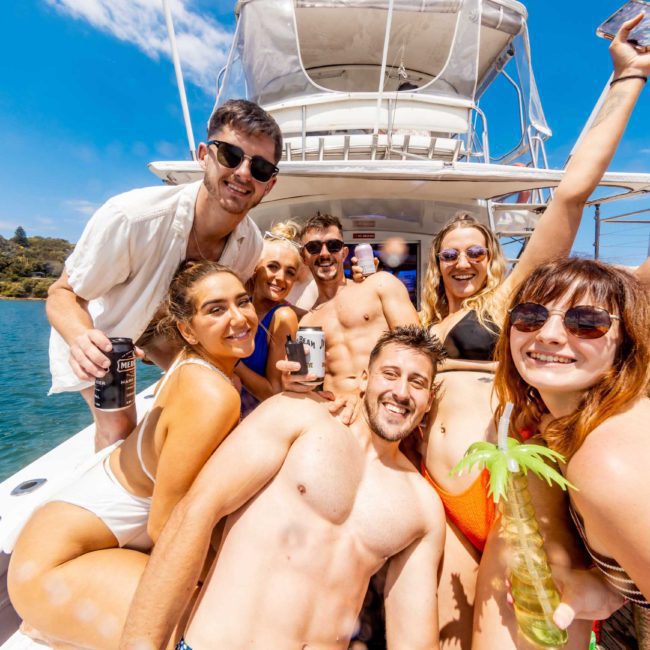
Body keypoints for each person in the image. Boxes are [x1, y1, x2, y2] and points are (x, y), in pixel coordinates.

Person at [417, 15, 650, 646]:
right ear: (435, 264)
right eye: (448, 254)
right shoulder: (422, 323)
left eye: (474, 251)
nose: (461, 263)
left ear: (493, 259)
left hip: (511, 491)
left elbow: (570, 196)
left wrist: (627, 77)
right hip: (439, 494)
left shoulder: (512, 308)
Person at [120, 326, 446, 650]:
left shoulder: (422, 507)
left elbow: (413, 637)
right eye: (390, 374)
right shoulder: (296, 417)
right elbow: (195, 513)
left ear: (428, 401)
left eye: (416, 383)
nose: (401, 392)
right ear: (364, 379)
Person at [8, 262, 257, 649]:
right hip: (54, 565)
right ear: (187, 331)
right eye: (216, 309)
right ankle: (52, 621)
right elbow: (165, 527)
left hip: (77, 536)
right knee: (217, 626)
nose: (240, 317)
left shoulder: (196, 366)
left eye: (243, 301)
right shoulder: (212, 395)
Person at [46, 99, 282, 449]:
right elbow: (62, 293)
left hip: (171, 331)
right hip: (107, 334)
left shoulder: (250, 245)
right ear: (204, 155)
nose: (244, 173)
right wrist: (82, 339)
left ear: (270, 184)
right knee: (118, 429)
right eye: (231, 155)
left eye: (260, 167)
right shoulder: (133, 218)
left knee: (221, 393)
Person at [471, 256, 650, 649]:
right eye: (531, 316)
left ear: (627, 344)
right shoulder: (565, 432)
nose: (550, 334)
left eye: (587, 322)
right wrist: (610, 585)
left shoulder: (607, 459)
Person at [282, 213, 420, 397]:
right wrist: (294, 383)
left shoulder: (380, 285)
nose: (324, 254)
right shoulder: (306, 323)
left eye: (333, 246)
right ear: (304, 257)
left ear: (344, 253)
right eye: (314, 247)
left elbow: (417, 349)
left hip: (383, 402)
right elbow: (308, 382)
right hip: (335, 413)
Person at [235, 221, 303, 415]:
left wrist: (234, 364)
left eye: (290, 272)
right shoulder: (241, 307)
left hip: (259, 422)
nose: (281, 277)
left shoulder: (284, 316)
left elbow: (275, 392)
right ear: (256, 268)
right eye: (273, 267)